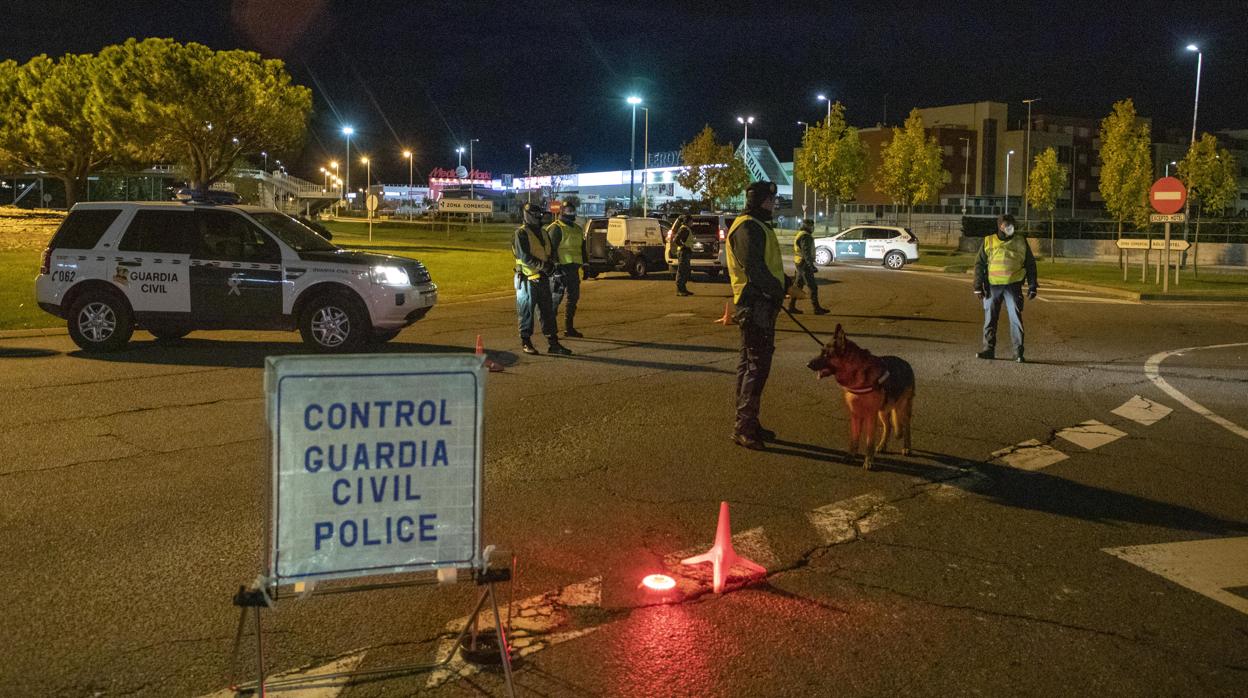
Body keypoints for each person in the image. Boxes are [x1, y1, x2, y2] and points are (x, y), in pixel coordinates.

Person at [725, 181, 788, 449]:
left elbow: (768, 265)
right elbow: (755, 268)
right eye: (769, 200)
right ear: (757, 201)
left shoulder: (757, 225)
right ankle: (744, 427)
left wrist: (785, 283)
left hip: (760, 303)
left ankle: (749, 421)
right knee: (754, 367)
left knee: (752, 366)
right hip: (755, 304)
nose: (773, 204)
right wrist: (777, 290)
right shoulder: (747, 226)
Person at [973, 213, 1037, 363]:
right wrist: (977, 286)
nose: (1010, 228)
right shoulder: (988, 241)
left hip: (1013, 286)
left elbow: (1030, 264)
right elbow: (979, 264)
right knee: (990, 319)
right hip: (992, 286)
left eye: (1011, 225)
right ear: (999, 227)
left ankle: (1018, 352)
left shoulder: (1021, 241)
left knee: (1015, 319)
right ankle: (988, 349)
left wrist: (1032, 285)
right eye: (1006, 225)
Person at [513, 202, 572, 356]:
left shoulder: (544, 232)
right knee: (526, 312)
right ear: (528, 215)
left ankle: (553, 343)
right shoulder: (521, 233)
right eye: (536, 215)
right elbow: (525, 256)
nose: (539, 217)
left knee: (548, 313)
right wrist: (546, 267)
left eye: (540, 215)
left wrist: (554, 266)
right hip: (527, 279)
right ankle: (525, 341)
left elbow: (550, 252)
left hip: (544, 279)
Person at [547, 198, 587, 337]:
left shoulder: (577, 228)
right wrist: (554, 268)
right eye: (568, 211)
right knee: (555, 300)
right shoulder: (556, 228)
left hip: (573, 269)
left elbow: (582, 249)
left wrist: (586, 265)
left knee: (573, 298)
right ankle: (551, 330)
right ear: (562, 212)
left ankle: (568, 328)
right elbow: (550, 250)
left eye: (573, 210)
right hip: (560, 269)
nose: (571, 213)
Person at [789, 218, 829, 315]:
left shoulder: (801, 234)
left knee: (798, 286)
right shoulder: (805, 236)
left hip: (799, 262)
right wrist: (811, 266)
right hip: (804, 264)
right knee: (812, 287)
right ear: (808, 226)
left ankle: (791, 307)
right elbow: (806, 252)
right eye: (812, 226)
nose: (813, 228)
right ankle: (816, 308)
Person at [669, 214, 696, 296]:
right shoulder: (684, 229)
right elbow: (676, 239)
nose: (692, 223)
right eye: (691, 221)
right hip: (684, 252)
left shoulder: (686, 229)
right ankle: (679, 290)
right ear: (688, 221)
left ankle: (683, 289)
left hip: (686, 252)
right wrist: (683, 246)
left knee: (685, 271)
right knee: (682, 271)